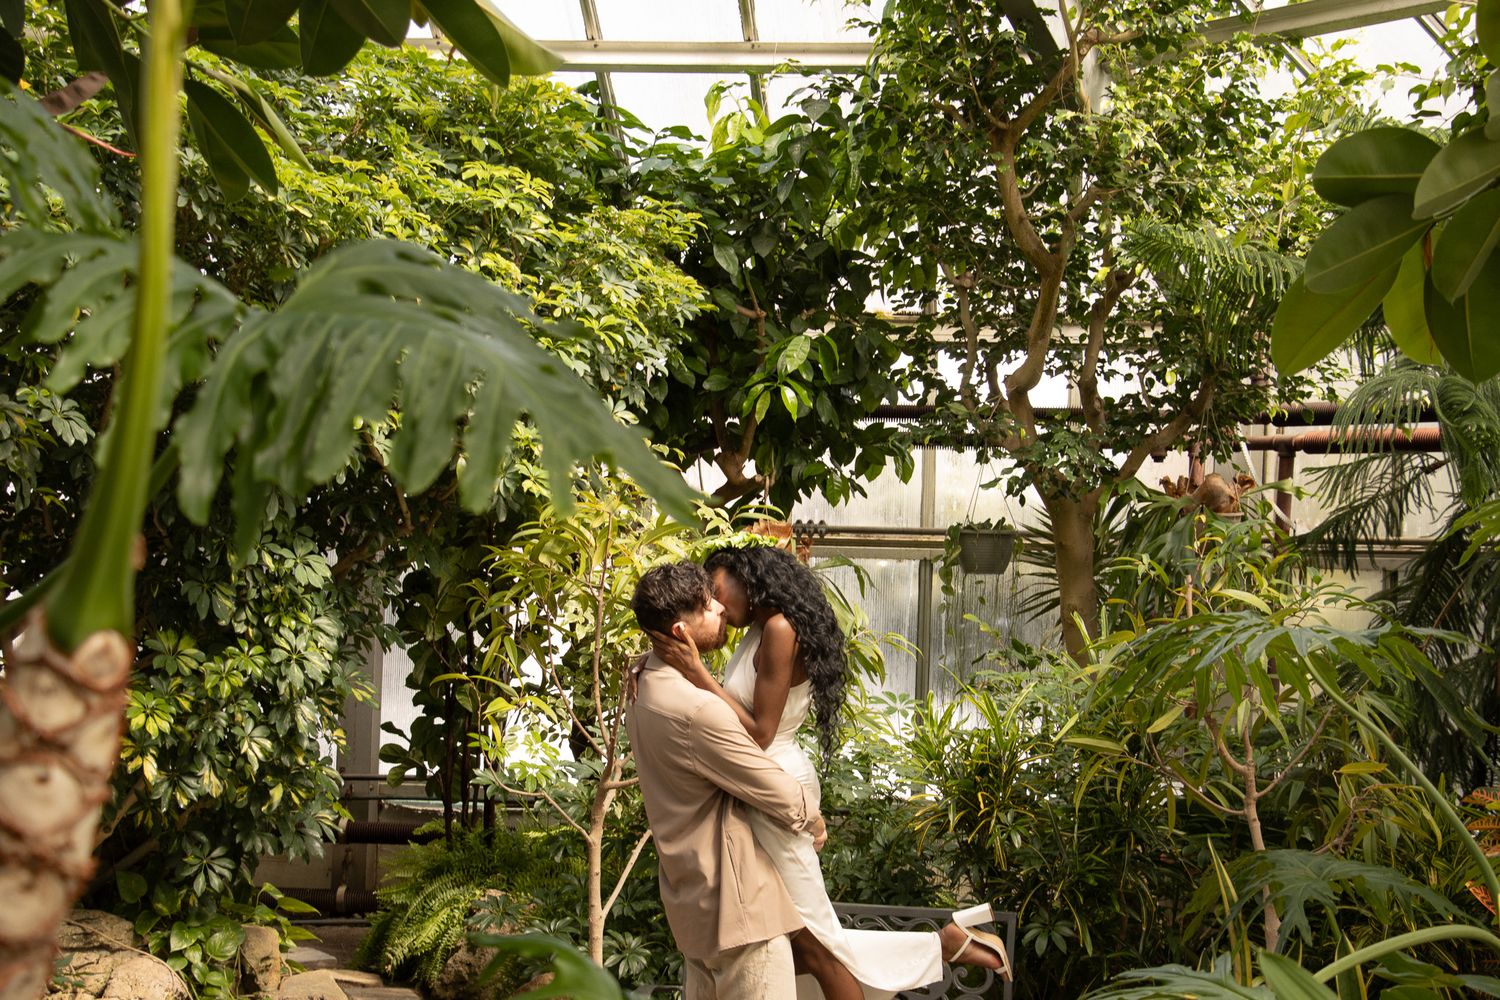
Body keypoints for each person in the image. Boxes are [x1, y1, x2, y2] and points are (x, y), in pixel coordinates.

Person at [647, 544, 1011, 1000]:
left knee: (817, 944)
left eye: (717, 591)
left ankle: (945, 945)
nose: (716, 604)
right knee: (797, 940)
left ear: (749, 578)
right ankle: (945, 945)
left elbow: (759, 733)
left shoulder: (780, 629)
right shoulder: (759, 625)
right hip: (758, 782)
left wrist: (699, 674)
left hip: (772, 782)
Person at [627, 562, 830, 1000]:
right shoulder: (698, 711)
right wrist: (813, 818)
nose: (721, 608)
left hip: (692, 909)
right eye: (707, 605)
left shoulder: (642, 686)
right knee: (828, 952)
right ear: (681, 631)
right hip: (740, 914)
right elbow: (778, 792)